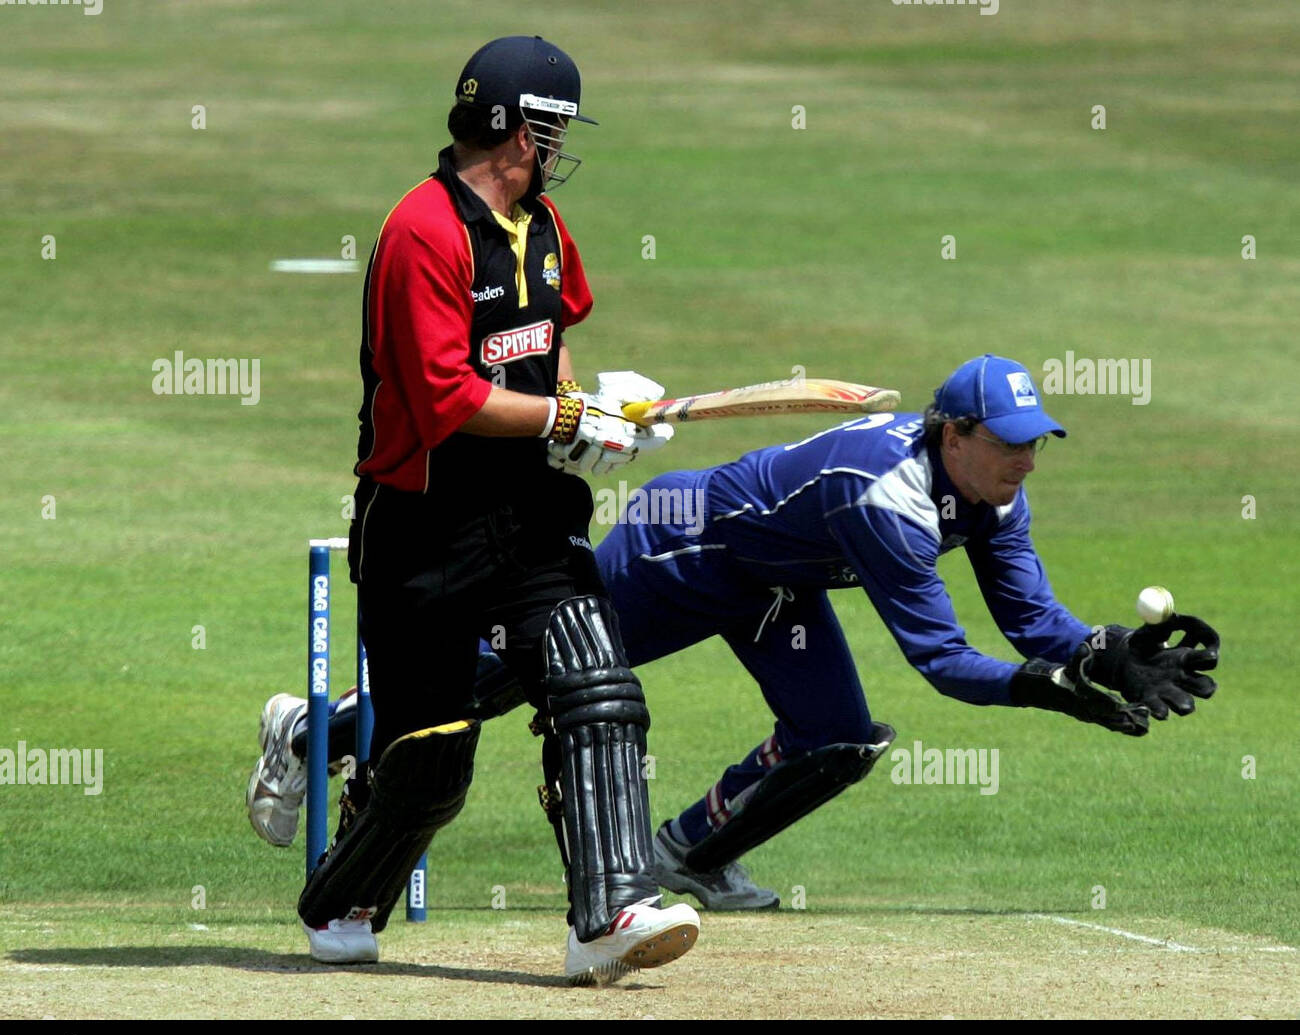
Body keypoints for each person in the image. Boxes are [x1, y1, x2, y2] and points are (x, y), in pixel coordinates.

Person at [252, 354, 1219, 911]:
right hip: (686, 552)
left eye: (1034, 443)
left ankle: (688, 854)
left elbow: (1028, 619)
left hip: (772, 583)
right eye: (1007, 442)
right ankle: (308, 733)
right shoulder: (883, 498)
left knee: (838, 737)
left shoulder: (995, 496)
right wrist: (1045, 690)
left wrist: (1101, 651)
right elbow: (941, 659)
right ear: (952, 434)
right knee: (497, 686)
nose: (1023, 460)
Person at [267, 35, 699, 985]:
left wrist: (591, 421)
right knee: (430, 758)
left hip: (530, 510)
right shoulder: (424, 230)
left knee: (597, 684)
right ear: (515, 128)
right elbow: (447, 401)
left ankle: (609, 910)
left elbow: (549, 348)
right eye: (552, 128)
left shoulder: (542, 225)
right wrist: (565, 416)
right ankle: (341, 899)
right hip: (424, 526)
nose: (558, 148)